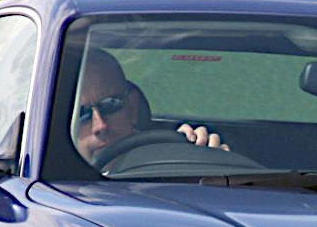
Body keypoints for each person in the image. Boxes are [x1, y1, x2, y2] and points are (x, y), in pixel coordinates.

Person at [73, 49, 228, 165]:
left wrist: (199, 157)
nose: (100, 126)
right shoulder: (58, 187)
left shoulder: (168, 157)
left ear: (133, 108)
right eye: (82, 114)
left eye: (110, 104)